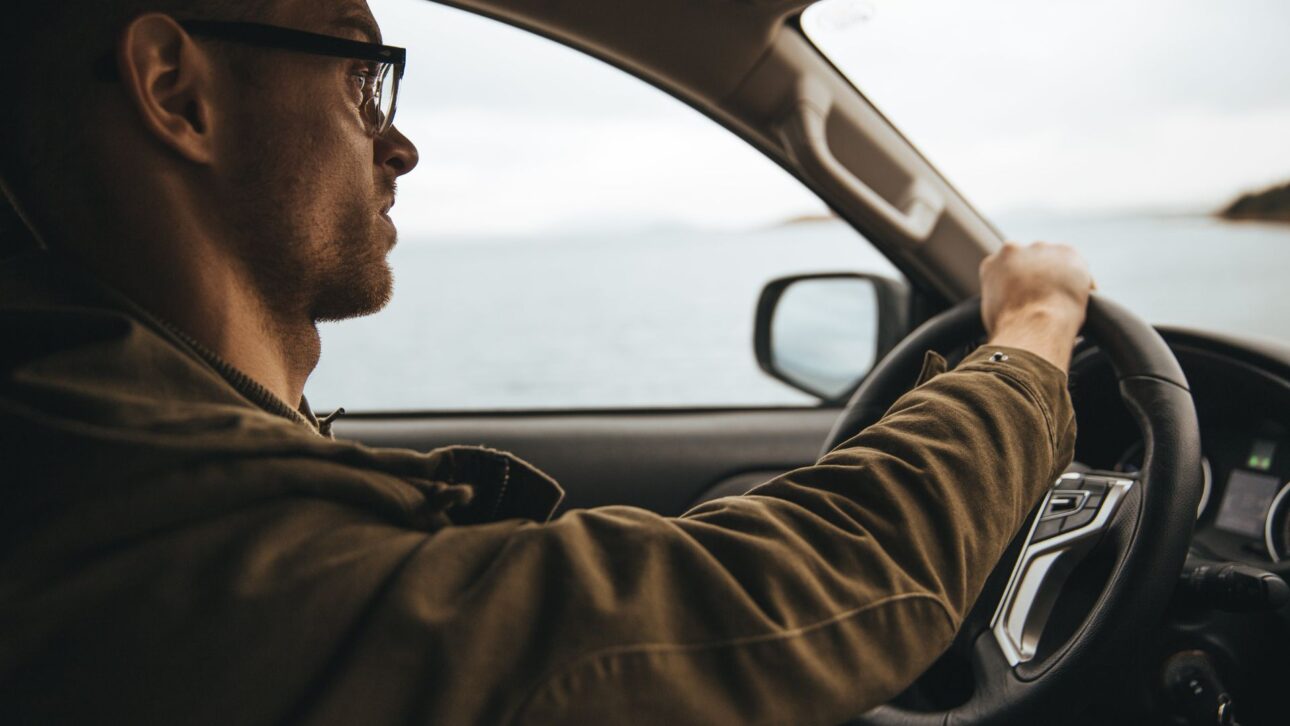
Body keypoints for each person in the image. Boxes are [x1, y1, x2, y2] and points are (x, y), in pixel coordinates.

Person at [0, 0, 1092, 723]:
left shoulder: (107, 456)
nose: (400, 144)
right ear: (176, 91)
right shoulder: (179, 553)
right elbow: (831, 576)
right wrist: (1035, 332)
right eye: (360, 81)